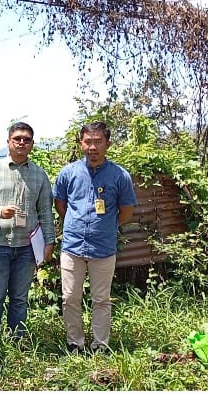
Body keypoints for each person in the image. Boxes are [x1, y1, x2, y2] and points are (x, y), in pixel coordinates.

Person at [53, 121, 137, 352]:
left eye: (98, 141)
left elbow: (127, 212)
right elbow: (60, 205)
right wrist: (75, 223)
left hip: (104, 247)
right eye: (88, 141)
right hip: (72, 246)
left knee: (101, 299)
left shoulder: (120, 175)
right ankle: (75, 343)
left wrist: (106, 226)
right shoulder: (68, 173)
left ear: (107, 144)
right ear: (81, 144)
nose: (93, 147)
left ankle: (100, 345)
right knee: (70, 297)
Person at [0, 122, 56, 350]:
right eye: (17, 138)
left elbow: (45, 212)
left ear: (31, 144)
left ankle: (16, 345)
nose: (21, 142)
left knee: (19, 300)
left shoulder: (39, 175)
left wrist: (49, 241)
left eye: (26, 139)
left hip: (27, 248)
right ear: (8, 141)